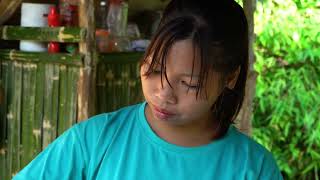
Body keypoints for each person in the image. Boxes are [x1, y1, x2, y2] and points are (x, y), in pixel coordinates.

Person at [14, 0, 283, 179]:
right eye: (154, 70)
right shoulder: (93, 142)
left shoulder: (254, 168)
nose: (163, 93)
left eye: (188, 83)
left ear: (230, 78)